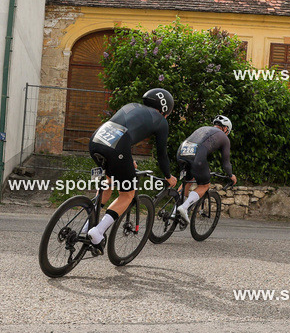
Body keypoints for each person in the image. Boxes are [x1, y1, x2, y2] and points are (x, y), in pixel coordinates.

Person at [86, 88, 177, 246]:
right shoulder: (161, 121)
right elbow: (162, 155)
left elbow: (120, 132)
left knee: (108, 181)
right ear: (165, 108)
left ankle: (86, 226)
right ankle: (97, 231)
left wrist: (128, 160)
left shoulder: (132, 106)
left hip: (96, 140)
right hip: (117, 148)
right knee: (127, 194)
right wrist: (168, 176)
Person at [173, 115, 236, 223]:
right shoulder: (224, 137)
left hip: (181, 152)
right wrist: (231, 175)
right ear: (225, 129)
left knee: (187, 182)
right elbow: (226, 163)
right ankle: (184, 207)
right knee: (204, 185)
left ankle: (175, 212)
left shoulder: (203, 129)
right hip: (197, 156)